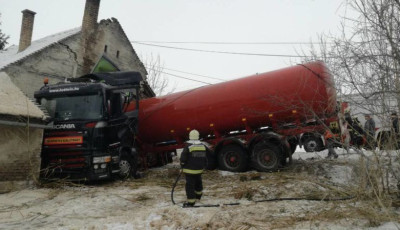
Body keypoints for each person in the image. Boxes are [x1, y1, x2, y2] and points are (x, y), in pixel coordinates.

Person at [180, 129, 211, 207]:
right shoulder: (202, 146)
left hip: (189, 171)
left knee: (190, 186)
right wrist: (204, 165)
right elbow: (205, 157)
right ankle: (198, 196)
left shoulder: (188, 146)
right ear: (198, 136)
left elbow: (183, 158)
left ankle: (191, 201)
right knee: (198, 183)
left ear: (190, 136)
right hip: (199, 170)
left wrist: (182, 164)